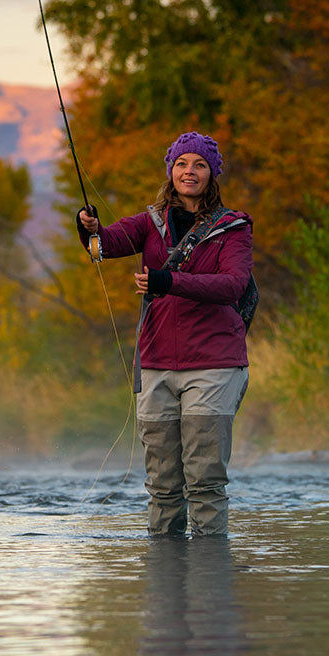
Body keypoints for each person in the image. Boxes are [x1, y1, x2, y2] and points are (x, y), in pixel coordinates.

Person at [77, 131, 253, 537]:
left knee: (205, 480)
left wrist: (167, 281)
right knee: (162, 486)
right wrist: (88, 228)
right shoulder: (148, 223)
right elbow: (102, 248)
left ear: (212, 175)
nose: (189, 172)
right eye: (181, 164)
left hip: (214, 365)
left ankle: (209, 584)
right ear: (170, 171)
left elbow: (233, 286)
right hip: (156, 365)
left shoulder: (233, 228)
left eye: (199, 165)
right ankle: (167, 586)